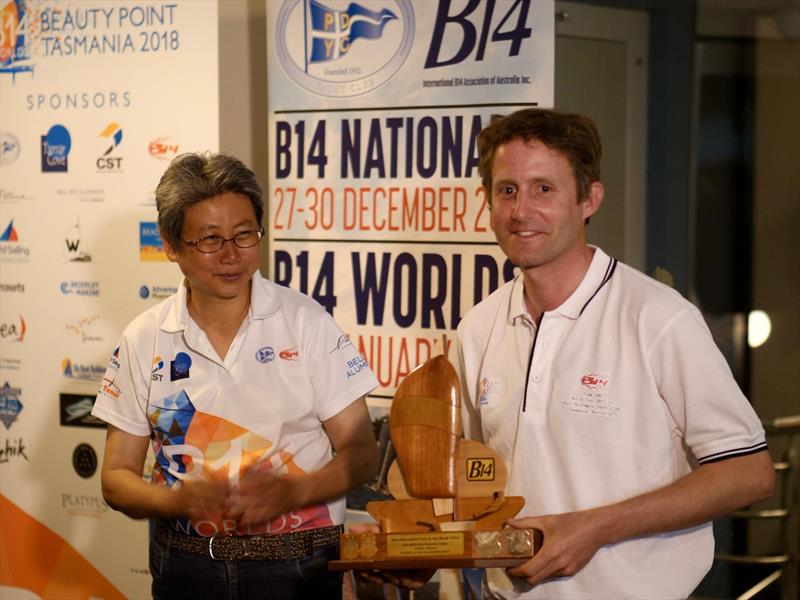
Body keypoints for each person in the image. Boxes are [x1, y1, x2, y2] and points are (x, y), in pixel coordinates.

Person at [454, 108, 775, 598]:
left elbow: (748, 474)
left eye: (544, 189)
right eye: (507, 190)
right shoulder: (477, 329)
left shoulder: (658, 319)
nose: (521, 211)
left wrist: (595, 528)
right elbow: (474, 480)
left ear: (589, 199)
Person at [91, 152, 379, 600]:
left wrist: (295, 490)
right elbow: (115, 477)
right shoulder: (144, 337)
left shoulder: (306, 322)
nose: (231, 255)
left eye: (244, 235)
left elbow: (362, 453)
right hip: (185, 566)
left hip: (299, 565)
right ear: (170, 245)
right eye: (210, 239)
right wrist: (174, 502)